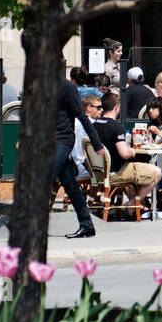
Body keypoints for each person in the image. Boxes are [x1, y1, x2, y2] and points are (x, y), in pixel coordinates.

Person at [54, 63, 100, 238]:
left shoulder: (67, 88)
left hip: (63, 139)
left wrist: (96, 143)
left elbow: (82, 115)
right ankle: (87, 225)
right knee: (70, 185)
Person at [99, 91, 162, 214]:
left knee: (134, 171)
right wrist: (131, 151)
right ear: (116, 107)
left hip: (98, 173)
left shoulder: (94, 125)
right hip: (115, 173)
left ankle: (139, 206)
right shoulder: (116, 126)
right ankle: (133, 203)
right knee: (157, 173)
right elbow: (125, 154)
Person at [72, 94, 105, 178]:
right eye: (98, 107)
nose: (102, 110)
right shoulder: (91, 125)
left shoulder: (75, 122)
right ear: (89, 108)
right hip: (83, 168)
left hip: (72, 166)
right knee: (114, 171)